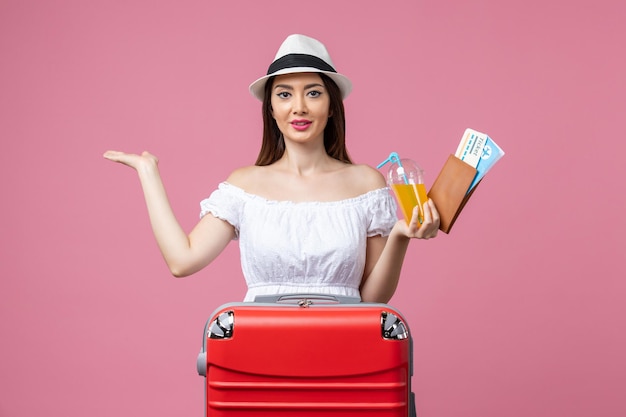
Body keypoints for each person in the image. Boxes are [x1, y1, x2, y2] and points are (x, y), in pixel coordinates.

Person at [103, 34, 440, 303]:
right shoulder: (245, 186)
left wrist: (399, 236)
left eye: (313, 92)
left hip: (344, 351)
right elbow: (182, 261)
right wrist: (148, 173)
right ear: (271, 110)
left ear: (332, 107)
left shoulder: (366, 182)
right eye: (284, 95)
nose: (299, 107)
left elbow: (370, 299)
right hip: (262, 353)